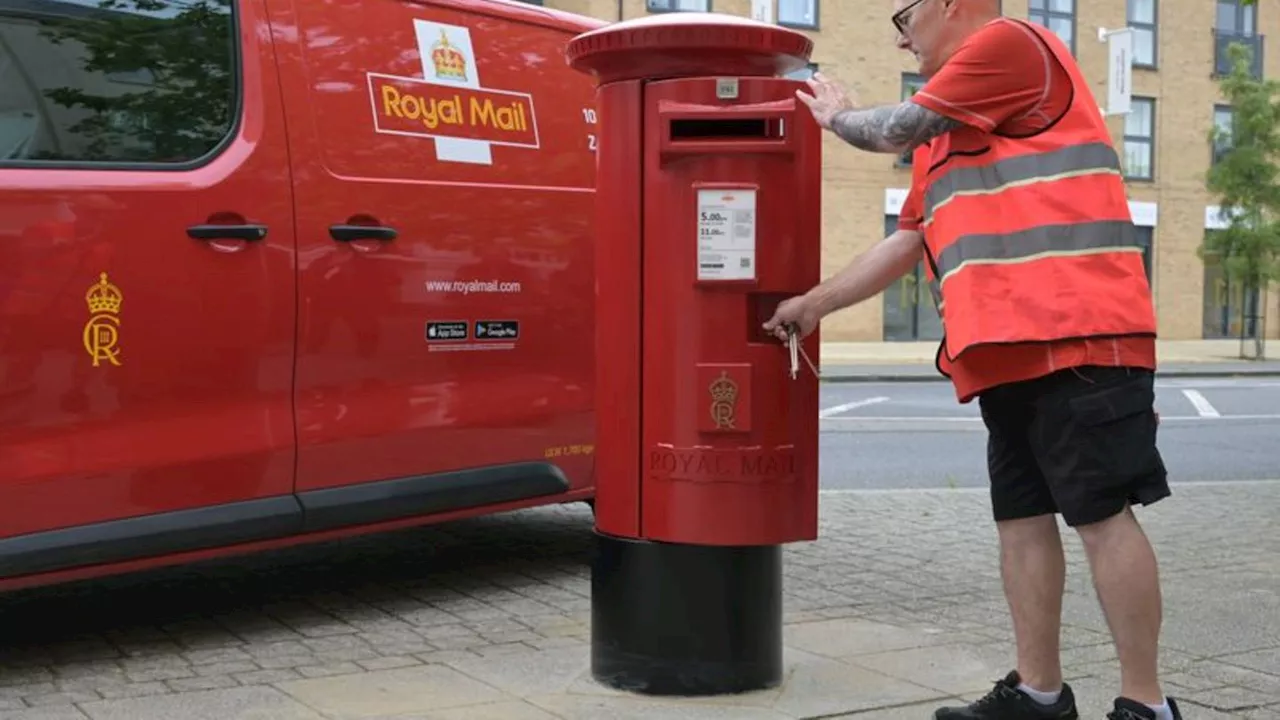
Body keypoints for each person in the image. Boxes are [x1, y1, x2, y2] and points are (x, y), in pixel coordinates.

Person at [763, 2, 1182, 720]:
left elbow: (889, 127)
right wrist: (816, 303)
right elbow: (908, 241)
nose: (900, 33)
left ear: (952, 5)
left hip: (1079, 336)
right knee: (1021, 522)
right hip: (999, 353)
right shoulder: (948, 130)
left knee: (1101, 518)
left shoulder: (1012, 46)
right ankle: (1039, 693)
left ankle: (1147, 706)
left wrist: (835, 115)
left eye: (905, 14)